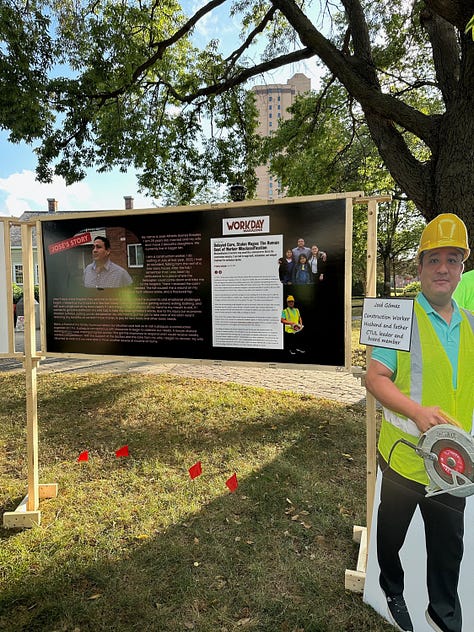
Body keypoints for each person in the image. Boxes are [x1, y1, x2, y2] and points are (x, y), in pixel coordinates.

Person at [365, 213, 473, 632]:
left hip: (451, 468)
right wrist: (417, 412)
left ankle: (444, 616)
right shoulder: (398, 316)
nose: (443, 268)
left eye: (452, 259)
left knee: (449, 552)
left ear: (462, 268)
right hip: (403, 461)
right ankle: (391, 587)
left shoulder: (473, 326)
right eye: (434, 260)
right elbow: (375, 378)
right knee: (391, 537)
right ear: (420, 267)